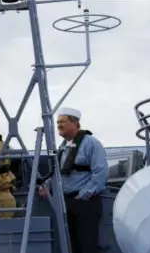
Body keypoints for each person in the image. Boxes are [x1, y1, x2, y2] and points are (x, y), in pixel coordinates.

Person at [38, 107, 108, 253]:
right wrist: (46, 185)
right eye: (57, 123)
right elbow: (58, 172)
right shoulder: (63, 148)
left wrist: (81, 196)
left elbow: (100, 175)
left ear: (75, 123)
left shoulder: (91, 144)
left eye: (63, 122)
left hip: (85, 204)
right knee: (71, 246)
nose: (59, 125)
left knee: (87, 246)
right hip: (66, 202)